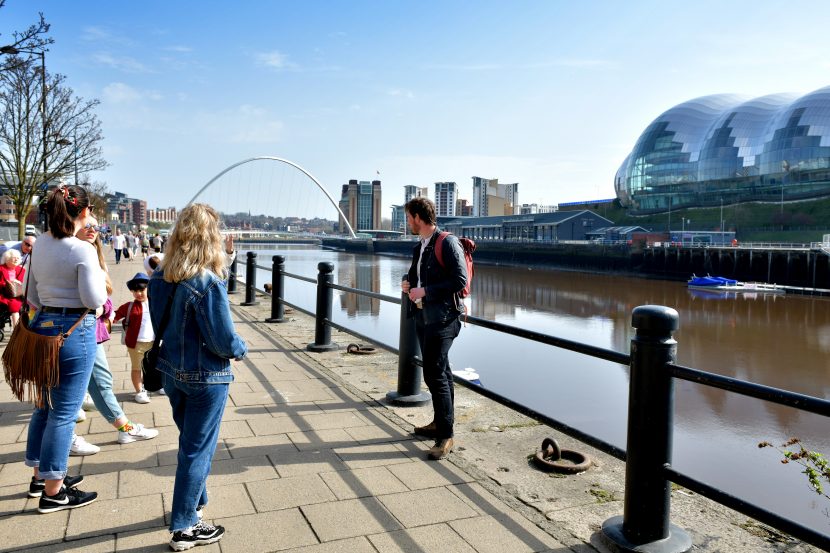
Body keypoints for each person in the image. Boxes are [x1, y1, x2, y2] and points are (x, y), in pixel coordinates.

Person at [149, 203, 246, 551]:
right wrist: (241, 347)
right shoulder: (207, 282)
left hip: (172, 371)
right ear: (210, 237)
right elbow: (223, 340)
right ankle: (185, 527)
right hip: (206, 376)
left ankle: (195, 501)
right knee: (196, 449)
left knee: (190, 443)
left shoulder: (160, 277)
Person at [23, 183, 106, 512]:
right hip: (74, 331)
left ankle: (40, 477)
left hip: (43, 327)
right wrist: (93, 252)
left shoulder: (40, 244)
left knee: (44, 406)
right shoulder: (81, 249)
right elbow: (94, 300)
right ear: (84, 212)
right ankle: (54, 492)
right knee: (64, 414)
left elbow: (31, 295)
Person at [75, 222, 160, 445]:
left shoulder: (89, 256)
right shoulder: (77, 255)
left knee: (91, 383)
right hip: (81, 330)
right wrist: (105, 309)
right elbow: (95, 302)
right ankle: (123, 429)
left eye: (95, 225)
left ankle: (52, 451)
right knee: (99, 382)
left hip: (78, 330)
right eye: (86, 224)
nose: (93, 229)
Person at [401, 197, 467, 461]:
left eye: (409, 217)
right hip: (423, 317)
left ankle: (446, 435)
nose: (408, 222)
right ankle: (440, 422)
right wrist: (408, 283)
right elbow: (414, 275)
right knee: (441, 371)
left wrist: (425, 290)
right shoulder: (422, 246)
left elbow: (459, 279)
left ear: (418, 217)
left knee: (434, 373)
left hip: (443, 319)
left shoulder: (446, 242)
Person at [113, 273, 155, 404]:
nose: (139, 293)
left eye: (142, 290)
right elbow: (113, 316)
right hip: (136, 344)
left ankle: (155, 385)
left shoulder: (156, 303)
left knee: (153, 367)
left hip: (154, 342)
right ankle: (139, 391)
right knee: (137, 367)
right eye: (135, 291)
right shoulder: (129, 306)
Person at [0, 249, 25, 326]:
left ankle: (17, 330)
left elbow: (25, 283)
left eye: (18, 257)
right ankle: (16, 330)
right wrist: (6, 284)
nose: (17, 259)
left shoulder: (21, 269)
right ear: (7, 258)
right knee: (14, 304)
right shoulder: (1, 268)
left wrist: (19, 283)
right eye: (14, 257)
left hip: (18, 295)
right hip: (3, 294)